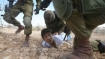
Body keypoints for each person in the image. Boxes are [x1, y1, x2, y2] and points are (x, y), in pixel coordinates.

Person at [39, 0, 105, 59]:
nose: (48, 38)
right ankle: (101, 45)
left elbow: (64, 25)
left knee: (61, 4)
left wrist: (59, 32)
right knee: (77, 45)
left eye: (48, 35)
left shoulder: (59, 39)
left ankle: (86, 49)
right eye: (45, 37)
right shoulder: (45, 42)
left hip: (96, 8)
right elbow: (48, 28)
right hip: (88, 16)